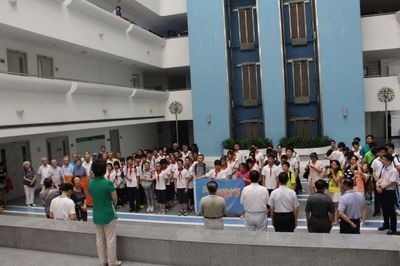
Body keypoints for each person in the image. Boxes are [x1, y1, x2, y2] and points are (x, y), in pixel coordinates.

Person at [89, 159, 121, 266]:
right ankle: (112, 262)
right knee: (110, 240)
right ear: (104, 170)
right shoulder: (108, 183)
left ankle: (102, 261)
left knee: (100, 239)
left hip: (96, 213)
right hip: (108, 213)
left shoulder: (90, 183)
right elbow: (115, 199)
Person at [376, 153, 399, 235]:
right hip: (383, 191)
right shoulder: (384, 168)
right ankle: (386, 224)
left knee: (391, 211)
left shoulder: (394, 170)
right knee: (384, 209)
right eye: (382, 159)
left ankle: (393, 229)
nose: (382, 161)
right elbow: (381, 178)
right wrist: (377, 185)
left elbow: (392, 182)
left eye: (384, 160)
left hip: (389, 192)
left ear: (389, 161)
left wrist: (381, 188)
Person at [326, 160, 344, 224]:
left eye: (334, 164)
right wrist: (328, 172)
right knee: (331, 206)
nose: (332, 165)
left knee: (336, 207)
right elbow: (325, 176)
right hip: (330, 190)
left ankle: (336, 220)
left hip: (336, 191)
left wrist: (333, 173)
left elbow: (336, 181)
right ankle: (331, 219)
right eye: (332, 164)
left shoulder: (339, 172)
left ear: (337, 165)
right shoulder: (331, 171)